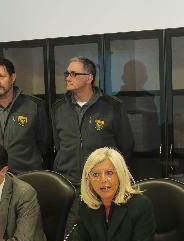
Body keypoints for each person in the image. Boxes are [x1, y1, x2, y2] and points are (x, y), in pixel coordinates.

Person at [51, 56, 134, 186]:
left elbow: (125, 146)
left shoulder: (113, 106)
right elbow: (57, 144)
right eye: (67, 74)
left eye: (73, 74)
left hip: (102, 183)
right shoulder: (58, 108)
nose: (67, 78)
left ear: (89, 78)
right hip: (67, 183)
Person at [69, 147, 155, 241]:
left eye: (109, 173)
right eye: (96, 174)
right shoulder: (86, 205)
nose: (103, 180)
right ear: (88, 180)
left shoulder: (140, 205)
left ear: (120, 175)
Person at [0, 58, 50, 174]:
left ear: (12, 78)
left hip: (27, 176)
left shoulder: (34, 106)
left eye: (1, 76)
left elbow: (43, 143)